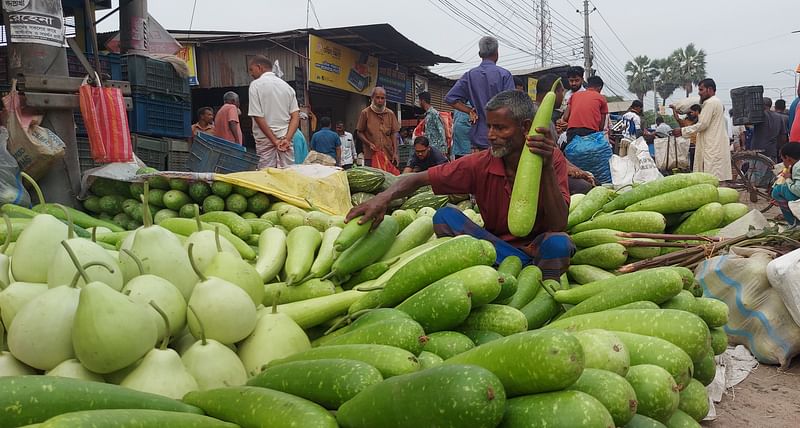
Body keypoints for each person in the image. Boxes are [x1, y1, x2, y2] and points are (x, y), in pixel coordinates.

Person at [346, 90, 574, 281]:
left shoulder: (551, 158)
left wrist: (546, 169)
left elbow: (559, 223)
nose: (491, 136)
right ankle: (521, 266)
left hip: (536, 246)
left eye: (500, 128)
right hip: (493, 244)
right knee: (445, 216)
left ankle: (514, 269)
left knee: (559, 243)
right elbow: (417, 178)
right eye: (489, 127)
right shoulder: (480, 163)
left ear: (526, 127)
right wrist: (382, 198)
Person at [445, 36, 515, 151]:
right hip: (501, 137)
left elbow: (450, 98)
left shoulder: (470, 75)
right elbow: (511, 106)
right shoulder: (504, 75)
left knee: (480, 168)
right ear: (497, 53)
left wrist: (469, 110)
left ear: (480, 54)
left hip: (479, 138)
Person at [535, 74, 594, 195]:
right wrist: (569, 169)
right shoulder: (536, 115)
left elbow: (556, 152)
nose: (563, 96)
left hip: (551, 166)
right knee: (585, 187)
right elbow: (548, 152)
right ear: (555, 92)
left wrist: (577, 170)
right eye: (562, 91)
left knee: (591, 179)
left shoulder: (545, 115)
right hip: (542, 171)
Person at [671, 78, 732, 181]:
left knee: (712, 177)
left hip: (712, 145)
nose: (699, 93)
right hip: (712, 143)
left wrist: (682, 131)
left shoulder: (711, 103)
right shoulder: (715, 102)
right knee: (714, 176)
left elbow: (702, 125)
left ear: (710, 89)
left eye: (701, 90)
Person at [248, 55, 300, 169]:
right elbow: (296, 117)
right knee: (287, 174)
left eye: (251, 69)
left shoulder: (255, 85)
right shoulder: (287, 87)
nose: (251, 74)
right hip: (285, 141)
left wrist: (274, 141)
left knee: (267, 178)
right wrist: (287, 139)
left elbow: (258, 116)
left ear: (259, 67)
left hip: (266, 141)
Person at [561, 76, 613, 184]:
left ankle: (577, 184)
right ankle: (596, 182)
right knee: (594, 158)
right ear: (599, 88)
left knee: (574, 161)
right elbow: (601, 125)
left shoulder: (574, 95)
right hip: (590, 133)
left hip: (572, 134)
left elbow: (565, 117)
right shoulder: (601, 98)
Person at [356, 87, 400, 169]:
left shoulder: (390, 114)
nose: (380, 100)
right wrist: (369, 143)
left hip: (388, 155)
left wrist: (395, 153)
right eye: (377, 97)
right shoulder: (365, 113)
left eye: (382, 98)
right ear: (372, 98)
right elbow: (359, 132)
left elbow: (394, 133)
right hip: (371, 156)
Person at [771, 142, 800, 225]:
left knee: (777, 191)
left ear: (788, 158)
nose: (783, 163)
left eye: (783, 160)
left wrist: (787, 179)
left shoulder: (797, 167)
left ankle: (794, 224)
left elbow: (798, 190)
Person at [751, 97, 784, 161]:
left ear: (761, 105)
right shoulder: (779, 117)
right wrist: (781, 149)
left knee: (756, 171)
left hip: (758, 152)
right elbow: (783, 137)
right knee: (772, 170)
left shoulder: (759, 116)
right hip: (772, 151)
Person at [418, 91, 447, 155]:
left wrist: (443, 149)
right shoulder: (427, 115)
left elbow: (441, 130)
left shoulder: (434, 113)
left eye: (419, 101)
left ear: (423, 101)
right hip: (430, 148)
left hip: (437, 149)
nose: (419, 103)